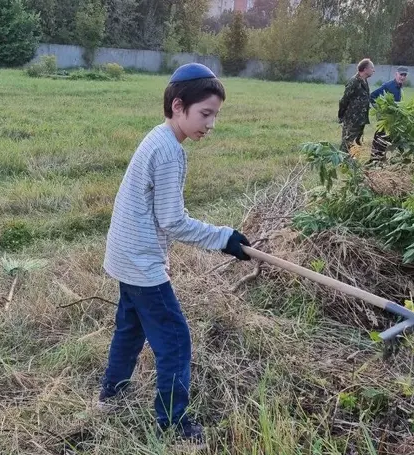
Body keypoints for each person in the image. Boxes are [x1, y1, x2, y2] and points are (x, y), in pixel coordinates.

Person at [97, 62, 252, 448]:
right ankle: (172, 421)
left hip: (125, 255)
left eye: (215, 115)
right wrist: (225, 238)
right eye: (205, 113)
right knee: (176, 342)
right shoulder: (170, 152)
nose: (211, 124)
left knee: (130, 329)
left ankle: (110, 397)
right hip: (141, 263)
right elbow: (173, 221)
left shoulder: (157, 137)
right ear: (178, 106)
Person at [369, 66, 408, 162]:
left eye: (404, 75)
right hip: (385, 119)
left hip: (392, 120)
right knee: (379, 138)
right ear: (396, 74)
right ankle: (374, 159)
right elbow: (372, 96)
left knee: (385, 140)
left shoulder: (399, 88)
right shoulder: (388, 86)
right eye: (401, 74)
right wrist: (380, 110)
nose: (402, 77)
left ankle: (380, 159)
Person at [338, 58, 375, 155]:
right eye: (372, 68)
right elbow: (344, 99)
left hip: (360, 119)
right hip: (352, 118)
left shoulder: (364, 81)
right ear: (365, 69)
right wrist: (341, 115)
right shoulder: (354, 81)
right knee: (347, 141)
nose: (373, 70)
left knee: (354, 141)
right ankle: (341, 160)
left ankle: (350, 160)